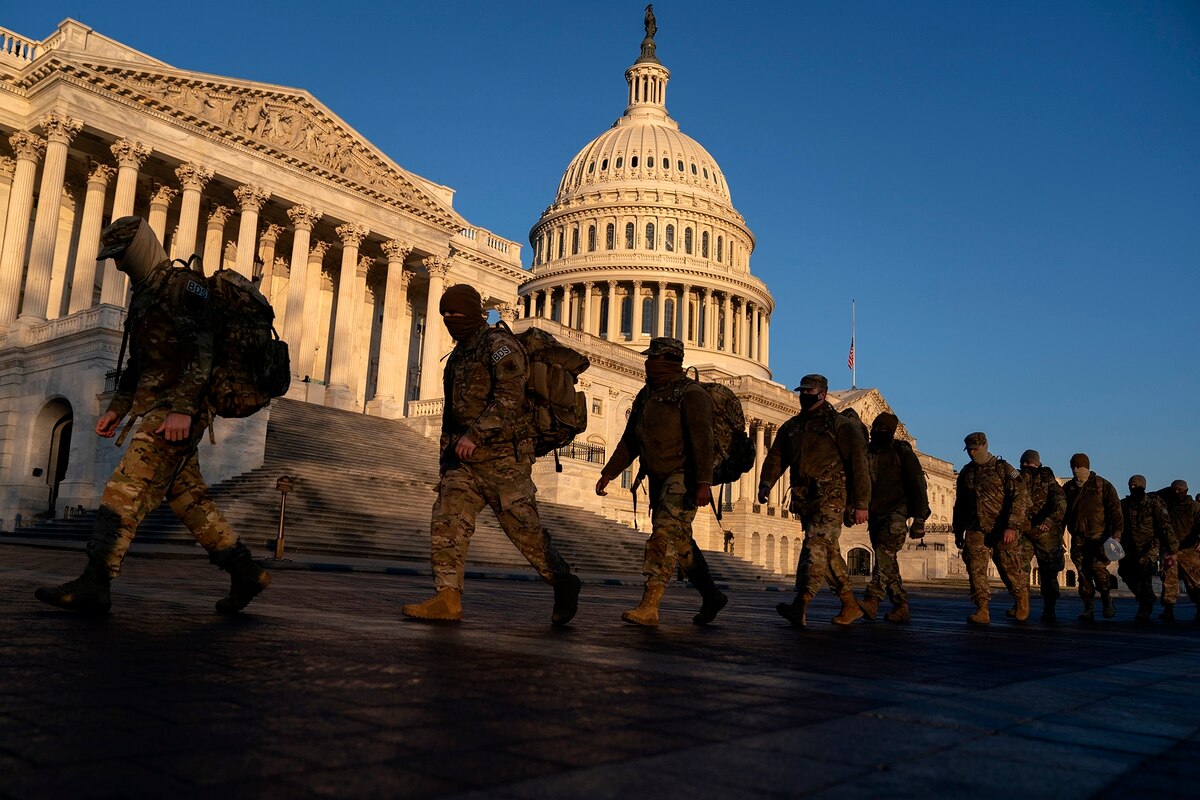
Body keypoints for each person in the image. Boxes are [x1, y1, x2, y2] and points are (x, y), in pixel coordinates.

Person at [35, 216, 270, 615]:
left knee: (122, 492)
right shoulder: (145, 293)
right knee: (190, 501)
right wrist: (118, 406)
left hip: (175, 411)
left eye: (121, 255)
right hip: (156, 407)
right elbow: (138, 362)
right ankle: (245, 571)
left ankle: (95, 581)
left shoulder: (183, 286)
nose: (117, 264)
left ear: (140, 248)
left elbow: (201, 353)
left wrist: (183, 411)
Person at [402, 285, 580, 625]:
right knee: (447, 519)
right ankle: (447, 597)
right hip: (464, 463)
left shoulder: (499, 346)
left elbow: (510, 398)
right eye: (444, 314)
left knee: (525, 533)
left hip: (504, 460)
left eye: (455, 313)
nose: (449, 319)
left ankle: (563, 580)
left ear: (472, 312)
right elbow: (453, 415)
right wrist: (447, 460)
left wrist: (476, 434)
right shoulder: (458, 356)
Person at [596, 337, 726, 627]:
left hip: (683, 476)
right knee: (680, 541)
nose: (648, 363)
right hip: (658, 477)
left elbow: (703, 441)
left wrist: (704, 482)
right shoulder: (647, 394)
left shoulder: (691, 394)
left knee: (663, 535)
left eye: (653, 358)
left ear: (668, 361)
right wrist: (609, 473)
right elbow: (631, 439)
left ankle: (650, 605)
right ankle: (712, 595)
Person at [759, 374, 870, 627]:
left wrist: (861, 504)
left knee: (814, 545)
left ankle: (801, 603)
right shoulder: (792, 426)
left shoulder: (841, 425)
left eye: (809, 392)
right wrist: (766, 483)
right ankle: (850, 604)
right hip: (805, 499)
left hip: (832, 497)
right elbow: (776, 457)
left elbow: (859, 466)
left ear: (822, 394)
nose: (804, 396)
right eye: (802, 391)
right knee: (828, 552)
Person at [856, 412, 929, 624]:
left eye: (883, 428)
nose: (878, 431)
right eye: (875, 427)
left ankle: (872, 600)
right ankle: (900, 605)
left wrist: (919, 518)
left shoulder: (901, 451)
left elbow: (917, 484)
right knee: (888, 562)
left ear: (891, 431)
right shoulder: (867, 452)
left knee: (884, 557)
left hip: (897, 512)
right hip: (876, 514)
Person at [952, 432, 1029, 625]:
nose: (972, 453)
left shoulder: (1003, 469)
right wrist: (958, 530)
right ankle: (982, 609)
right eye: (969, 450)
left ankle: (1021, 600)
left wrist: (1012, 526)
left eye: (975, 449)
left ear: (985, 446)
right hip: (975, 528)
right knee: (975, 569)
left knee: (1008, 567)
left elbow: (1020, 497)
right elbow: (960, 504)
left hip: (1001, 527)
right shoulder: (967, 472)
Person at [1062, 453, 1124, 621]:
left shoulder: (1102, 485)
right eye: (1073, 467)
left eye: (1078, 467)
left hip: (1099, 538)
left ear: (1086, 467)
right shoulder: (1068, 488)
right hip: (1078, 538)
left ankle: (1106, 599)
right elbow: (1062, 513)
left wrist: (1117, 533)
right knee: (1082, 573)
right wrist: (1060, 534)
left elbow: (1115, 510)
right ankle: (1088, 607)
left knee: (1099, 570)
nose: (1075, 470)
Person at [1016, 449, 1067, 622]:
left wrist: (1049, 521)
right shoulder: (1018, 479)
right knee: (1020, 569)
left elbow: (1060, 504)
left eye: (1028, 463)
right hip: (1025, 531)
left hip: (1046, 532)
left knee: (1049, 572)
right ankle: (1022, 606)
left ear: (1037, 464)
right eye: (1022, 463)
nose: (1024, 466)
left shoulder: (1048, 480)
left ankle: (1049, 608)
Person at [1117, 475, 1176, 623]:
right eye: (1130, 485)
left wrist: (1172, 549)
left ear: (1143, 486)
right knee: (1125, 572)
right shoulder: (1125, 504)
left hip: (1149, 546)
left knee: (1144, 574)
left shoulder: (1154, 502)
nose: (1132, 488)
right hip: (1129, 546)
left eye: (1135, 485)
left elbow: (1165, 526)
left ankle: (1145, 606)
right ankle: (1146, 598)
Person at [1157, 480, 1200, 620]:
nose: (1176, 492)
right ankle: (1168, 609)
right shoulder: (1167, 505)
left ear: (1186, 491)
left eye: (1179, 490)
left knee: (1194, 581)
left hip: (1188, 549)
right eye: (1174, 490)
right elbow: (1152, 495)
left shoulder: (1194, 506)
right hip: (1170, 549)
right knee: (1168, 580)